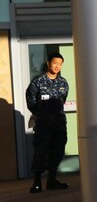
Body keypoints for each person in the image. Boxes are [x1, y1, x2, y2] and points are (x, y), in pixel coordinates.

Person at [25, 52, 70, 194]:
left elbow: (62, 101)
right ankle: (37, 182)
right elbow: (31, 101)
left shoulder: (63, 83)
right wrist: (42, 115)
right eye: (55, 63)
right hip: (43, 124)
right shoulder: (37, 82)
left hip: (59, 123)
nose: (57, 66)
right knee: (40, 151)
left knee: (57, 150)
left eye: (60, 64)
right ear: (48, 63)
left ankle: (52, 180)